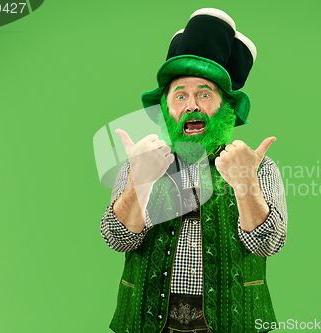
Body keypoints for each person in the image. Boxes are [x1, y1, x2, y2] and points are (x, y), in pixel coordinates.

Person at [100, 8, 288, 333]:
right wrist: (139, 180)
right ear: (166, 109)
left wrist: (245, 184)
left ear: (224, 108)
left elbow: (267, 244)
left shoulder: (258, 167)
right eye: (180, 95)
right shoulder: (141, 162)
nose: (191, 105)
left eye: (204, 94)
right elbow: (118, 239)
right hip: (146, 323)